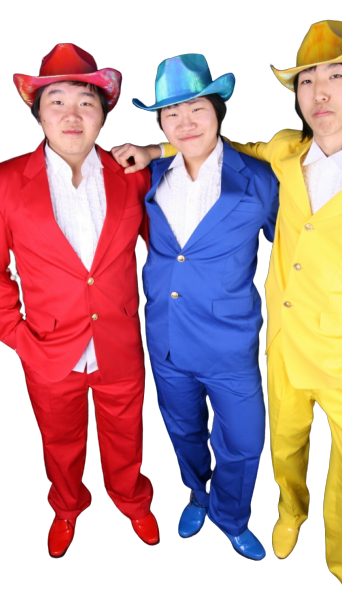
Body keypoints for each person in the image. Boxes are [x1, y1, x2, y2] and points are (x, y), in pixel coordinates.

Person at [112, 22, 342, 598]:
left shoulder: (288, 178)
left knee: (267, 450)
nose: (319, 92)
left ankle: (323, 559)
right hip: (200, 343)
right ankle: (232, 501)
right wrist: (157, 149)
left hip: (294, 350)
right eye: (307, 80)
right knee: (214, 437)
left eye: (335, 77)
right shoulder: (268, 157)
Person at [0, 43, 159, 559]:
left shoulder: (132, 173)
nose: (72, 115)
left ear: (103, 116)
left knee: (127, 435)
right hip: (46, 349)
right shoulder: (2, 181)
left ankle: (132, 500)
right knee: (59, 443)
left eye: (86, 102)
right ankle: (67, 507)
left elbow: (159, 254)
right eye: (57, 101)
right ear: (38, 114)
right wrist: (18, 337)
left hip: (120, 342)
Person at [113, 54, 279, 560]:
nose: (184, 123)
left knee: (244, 442)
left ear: (217, 113)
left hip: (232, 345)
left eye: (196, 110)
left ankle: (232, 516)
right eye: (171, 113)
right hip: (166, 340)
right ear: (161, 123)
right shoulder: (150, 172)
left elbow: (291, 251)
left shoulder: (261, 179)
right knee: (184, 431)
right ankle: (200, 495)